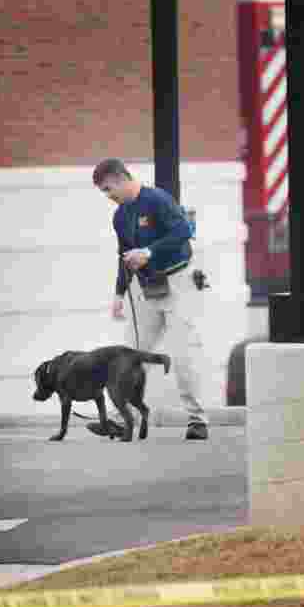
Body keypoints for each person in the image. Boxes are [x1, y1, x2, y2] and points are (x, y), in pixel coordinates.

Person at [90, 158, 209, 440]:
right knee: (128, 354)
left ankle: (197, 420)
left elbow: (183, 231)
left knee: (183, 353)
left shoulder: (157, 199)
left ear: (120, 178)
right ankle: (121, 418)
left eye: (108, 189)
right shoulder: (120, 216)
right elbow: (124, 256)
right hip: (148, 288)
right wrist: (119, 293)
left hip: (179, 283)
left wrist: (149, 252)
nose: (108, 196)